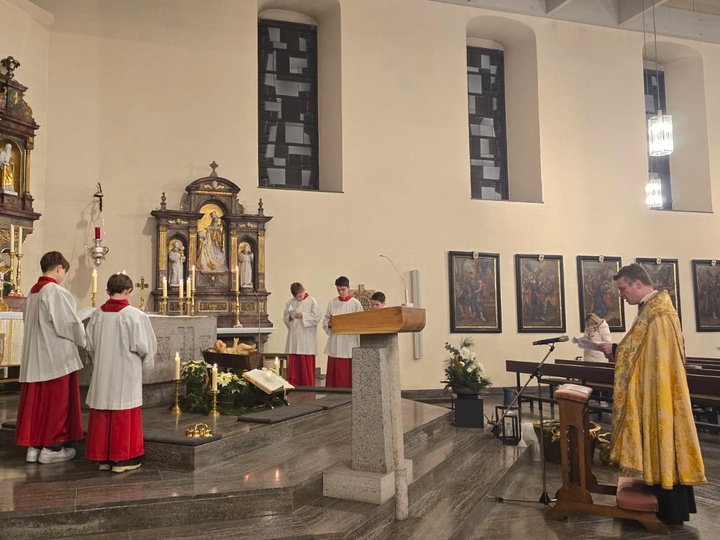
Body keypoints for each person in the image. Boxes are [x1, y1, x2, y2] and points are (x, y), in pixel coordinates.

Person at [596, 263, 706, 525]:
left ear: (637, 284)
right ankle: (660, 496)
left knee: (664, 439)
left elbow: (651, 354)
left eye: (623, 289)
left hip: (661, 394)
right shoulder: (652, 309)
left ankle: (669, 508)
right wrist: (616, 349)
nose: (621, 295)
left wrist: (616, 350)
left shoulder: (658, 314)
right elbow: (644, 350)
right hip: (654, 390)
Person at [15, 251, 86, 464]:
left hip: (35, 356)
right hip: (55, 357)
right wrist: (84, 337)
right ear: (59, 268)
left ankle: (34, 447)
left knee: (37, 403)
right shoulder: (55, 291)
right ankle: (52, 448)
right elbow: (68, 325)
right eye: (64, 271)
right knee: (56, 404)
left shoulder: (32, 293)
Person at [85, 273, 157, 473]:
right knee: (124, 412)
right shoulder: (134, 315)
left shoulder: (97, 315)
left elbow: (89, 345)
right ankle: (123, 459)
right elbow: (145, 347)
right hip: (125, 372)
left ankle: (103, 458)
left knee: (103, 411)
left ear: (107, 291)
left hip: (102, 372)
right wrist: (146, 363)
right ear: (128, 291)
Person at [322, 276, 363, 387]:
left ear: (348, 288)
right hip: (336, 341)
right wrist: (329, 323)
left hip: (349, 341)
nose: (341, 292)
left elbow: (361, 321)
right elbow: (325, 321)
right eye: (338, 290)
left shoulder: (356, 303)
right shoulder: (332, 303)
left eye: (343, 289)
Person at [283, 282, 321, 386]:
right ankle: (293, 384)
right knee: (294, 362)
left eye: (300, 295)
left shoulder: (311, 301)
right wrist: (290, 317)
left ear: (303, 291)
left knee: (306, 364)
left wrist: (303, 315)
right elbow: (285, 318)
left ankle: (307, 385)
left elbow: (317, 317)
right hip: (294, 337)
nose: (299, 298)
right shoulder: (290, 302)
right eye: (296, 297)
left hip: (306, 337)